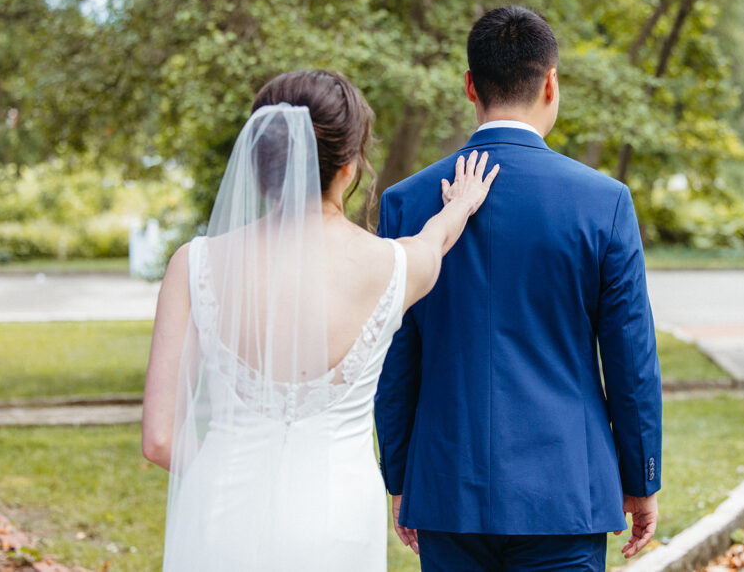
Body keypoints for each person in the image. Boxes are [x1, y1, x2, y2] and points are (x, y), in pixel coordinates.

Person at [141, 69, 499, 571]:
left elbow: (159, 438)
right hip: (336, 519)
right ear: (349, 166)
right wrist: (458, 206)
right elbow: (434, 240)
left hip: (220, 515)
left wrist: (227, 471)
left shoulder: (194, 264)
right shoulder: (391, 265)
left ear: (258, 158)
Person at [375, 6, 662, 571]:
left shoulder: (406, 202)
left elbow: (396, 359)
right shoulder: (603, 202)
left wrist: (403, 476)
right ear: (551, 82)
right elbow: (631, 361)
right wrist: (641, 476)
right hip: (566, 492)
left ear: (469, 86)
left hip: (445, 488)